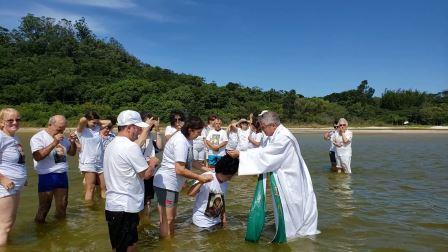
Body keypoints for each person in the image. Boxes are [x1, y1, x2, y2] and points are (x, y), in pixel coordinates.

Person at [227, 111, 319, 240]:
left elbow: (268, 155)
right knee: (285, 208)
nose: (263, 130)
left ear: (273, 125)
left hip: (290, 181)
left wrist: (241, 154)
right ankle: (288, 232)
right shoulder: (277, 134)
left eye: (264, 127)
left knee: (291, 207)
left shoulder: (284, 137)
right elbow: (265, 151)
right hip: (283, 178)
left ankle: (295, 235)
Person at [103, 110, 157, 252]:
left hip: (113, 204)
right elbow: (146, 175)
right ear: (129, 127)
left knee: (120, 246)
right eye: (137, 128)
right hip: (125, 206)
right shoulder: (130, 147)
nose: (139, 132)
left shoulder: (112, 144)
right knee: (129, 247)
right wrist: (152, 163)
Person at [153, 116, 214, 239]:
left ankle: (169, 242)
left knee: (170, 218)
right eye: (197, 132)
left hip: (172, 184)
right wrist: (200, 178)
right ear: (190, 130)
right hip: (167, 184)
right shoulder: (181, 142)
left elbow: (191, 162)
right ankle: (166, 245)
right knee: (167, 219)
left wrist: (209, 170)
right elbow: (179, 169)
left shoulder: (187, 139)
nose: (199, 135)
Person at [30, 115, 77, 223]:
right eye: (59, 128)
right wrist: (54, 143)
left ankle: (61, 231)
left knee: (63, 206)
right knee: (44, 208)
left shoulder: (63, 138)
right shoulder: (38, 137)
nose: (62, 131)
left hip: (62, 175)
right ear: (50, 125)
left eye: (64, 128)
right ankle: (40, 232)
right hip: (47, 175)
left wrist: (73, 142)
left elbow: (72, 153)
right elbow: (38, 156)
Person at [188, 154, 239, 228]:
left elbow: (221, 201)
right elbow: (190, 193)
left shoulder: (225, 182)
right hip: (201, 222)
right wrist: (201, 181)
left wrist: (224, 220)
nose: (230, 179)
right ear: (221, 171)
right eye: (228, 177)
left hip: (216, 221)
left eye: (231, 176)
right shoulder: (207, 177)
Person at [0, 108, 26, 245]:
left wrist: (24, 176)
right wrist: (3, 179)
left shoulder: (14, 137)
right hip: (4, 186)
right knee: (4, 225)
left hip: (14, 186)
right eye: (10, 120)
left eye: (17, 119)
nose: (15, 122)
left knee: (9, 224)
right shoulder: (0, 137)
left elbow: (18, 160)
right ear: (1, 122)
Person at [77, 111, 111, 201]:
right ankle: (89, 211)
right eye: (93, 122)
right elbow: (82, 120)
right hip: (88, 162)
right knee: (90, 188)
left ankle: (104, 208)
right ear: (87, 121)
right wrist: (88, 120)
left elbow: (109, 122)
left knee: (104, 187)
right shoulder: (82, 130)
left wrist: (97, 122)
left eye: (96, 122)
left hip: (100, 162)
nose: (95, 124)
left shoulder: (97, 128)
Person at [136, 112, 162, 217]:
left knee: (148, 200)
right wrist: (146, 127)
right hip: (139, 171)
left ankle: (145, 221)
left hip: (150, 171)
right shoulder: (136, 135)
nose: (151, 124)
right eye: (149, 121)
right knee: (138, 199)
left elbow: (159, 147)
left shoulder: (151, 135)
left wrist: (158, 130)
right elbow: (138, 146)